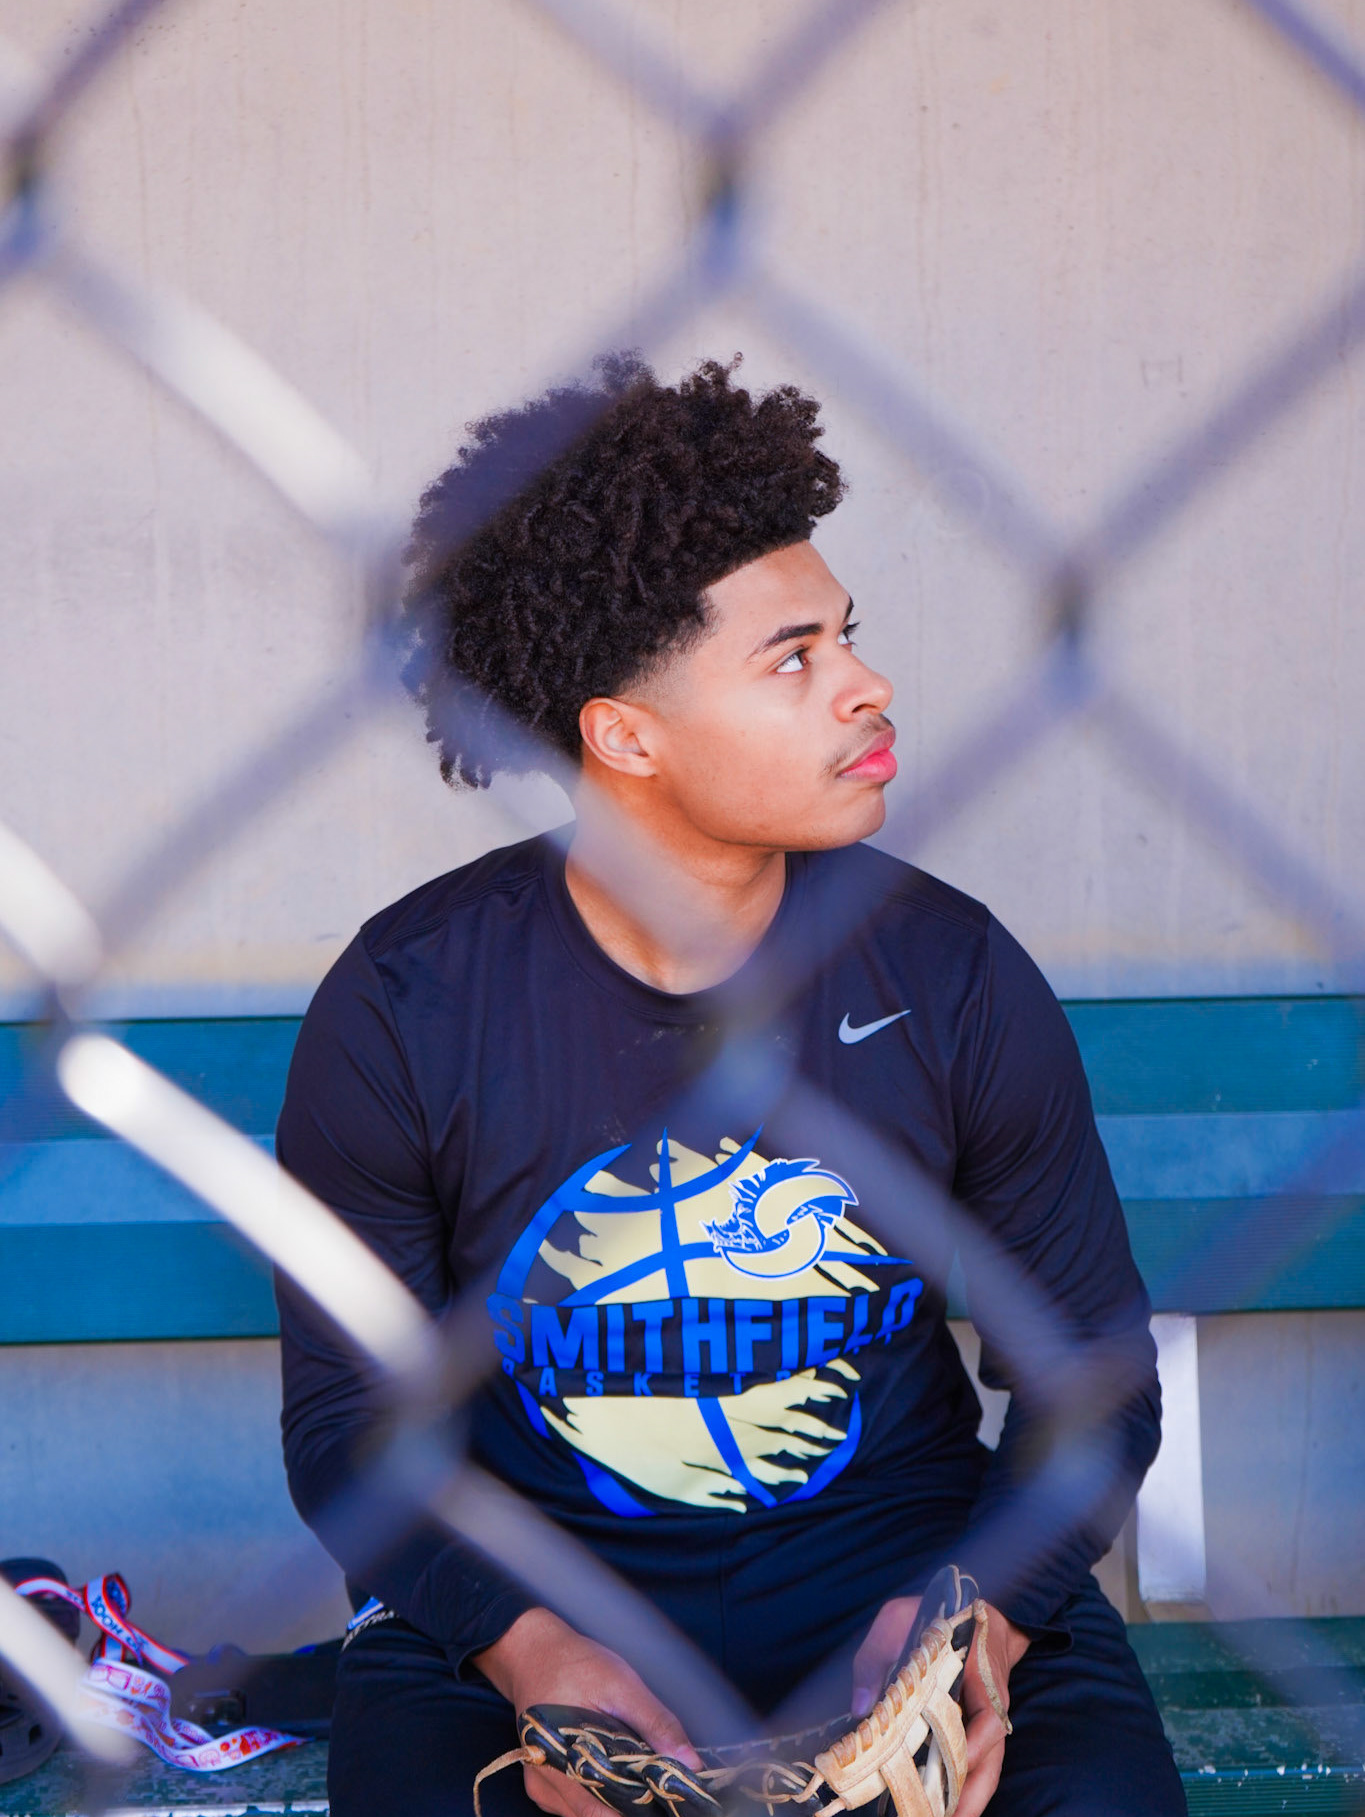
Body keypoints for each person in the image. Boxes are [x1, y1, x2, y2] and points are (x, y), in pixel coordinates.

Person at [274, 354, 1185, 1817]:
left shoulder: (948, 973)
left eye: (846, 636)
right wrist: (532, 1652)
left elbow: (1093, 1376)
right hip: (539, 1602)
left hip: (901, 1579)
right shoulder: (408, 1003)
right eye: (792, 658)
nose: (868, 685)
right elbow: (350, 1430)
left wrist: (974, 1623)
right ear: (624, 734)